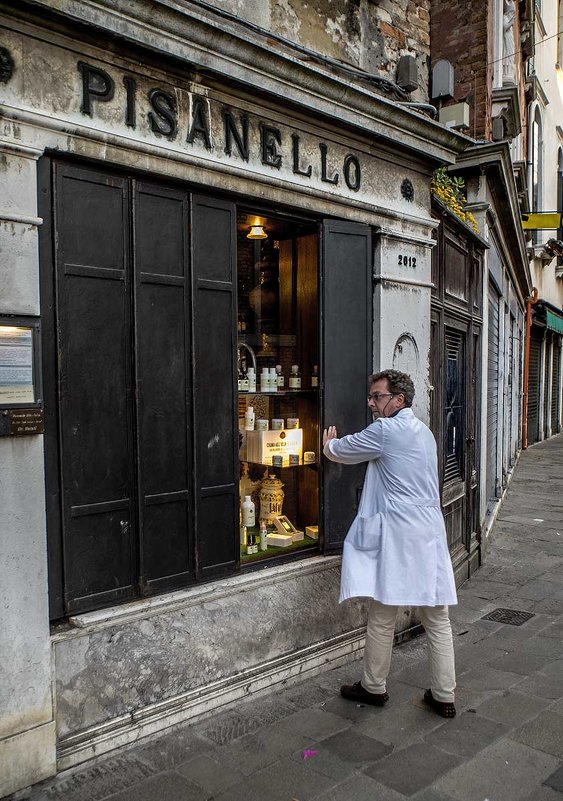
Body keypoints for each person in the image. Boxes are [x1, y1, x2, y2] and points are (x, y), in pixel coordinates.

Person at [323, 369, 457, 718]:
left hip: (400, 535)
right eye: (371, 396)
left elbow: (345, 451)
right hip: (428, 532)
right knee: (437, 618)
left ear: (399, 400)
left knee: (383, 615)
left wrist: (328, 444)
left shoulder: (386, 430)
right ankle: (444, 696)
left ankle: (373, 687)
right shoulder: (424, 432)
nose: (371, 402)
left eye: (377, 396)